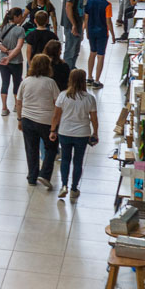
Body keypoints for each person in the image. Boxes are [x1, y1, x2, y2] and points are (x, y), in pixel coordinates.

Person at [51, 69, 99, 201]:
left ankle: (64, 185)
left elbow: (56, 115)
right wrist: (95, 133)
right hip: (82, 134)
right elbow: (94, 119)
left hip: (64, 132)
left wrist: (53, 130)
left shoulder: (63, 96)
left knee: (65, 160)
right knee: (78, 161)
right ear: (84, 81)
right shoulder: (89, 98)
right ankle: (74, 188)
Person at [16, 54, 60, 187]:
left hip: (27, 119)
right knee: (51, 147)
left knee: (31, 148)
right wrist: (56, 123)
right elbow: (57, 103)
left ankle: (32, 176)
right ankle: (45, 174)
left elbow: (19, 102)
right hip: (45, 121)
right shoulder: (50, 83)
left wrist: (19, 119)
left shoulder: (26, 81)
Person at [0, 6, 26, 116]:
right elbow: (18, 47)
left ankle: (4, 107)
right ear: (16, 17)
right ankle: (17, 106)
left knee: (5, 82)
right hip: (16, 61)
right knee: (17, 83)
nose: (22, 18)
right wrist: (11, 56)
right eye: (21, 16)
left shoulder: (1, 28)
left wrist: (6, 52)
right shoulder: (20, 30)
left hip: (2, 60)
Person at [84, 0, 115, 87]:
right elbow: (108, 21)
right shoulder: (107, 4)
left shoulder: (89, 1)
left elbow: (86, 18)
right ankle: (97, 80)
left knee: (92, 52)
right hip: (102, 32)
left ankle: (89, 77)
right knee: (100, 56)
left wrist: (86, 31)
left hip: (91, 31)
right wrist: (113, 34)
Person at [61, 0, 93, 68]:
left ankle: (72, 67)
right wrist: (73, 24)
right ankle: (67, 70)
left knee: (75, 48)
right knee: (70, 49)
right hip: (71, 23)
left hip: (77, 21)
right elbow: (68, 6)